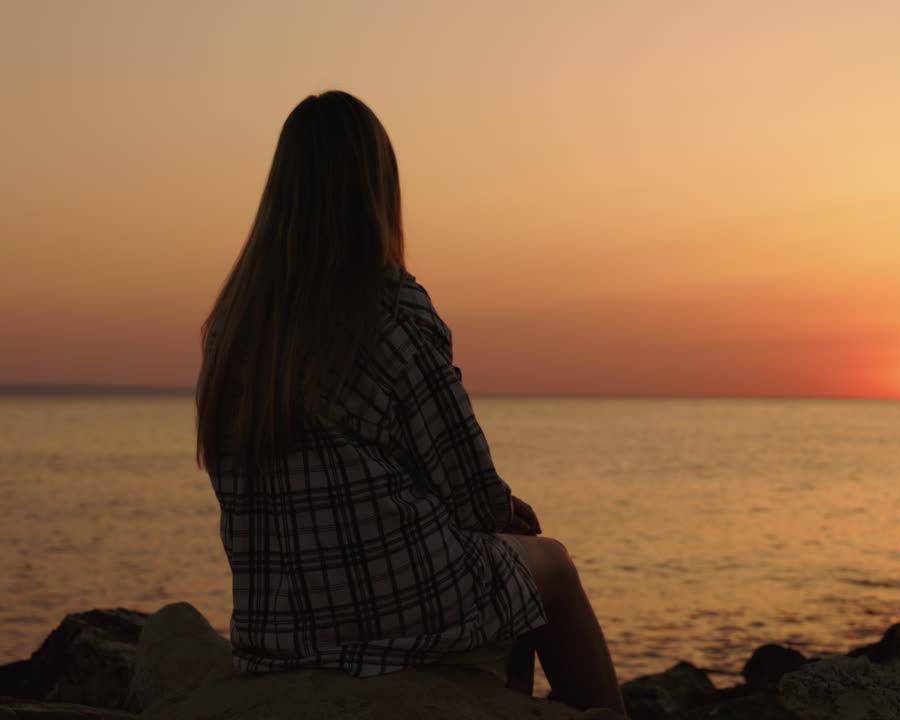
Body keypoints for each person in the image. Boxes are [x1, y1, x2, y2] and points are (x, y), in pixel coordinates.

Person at [195, 90, 625, 714]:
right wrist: (508, 517)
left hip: (277, 624)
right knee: (549, 566)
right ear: (376, 189)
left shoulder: (236, 321)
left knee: (506, 559)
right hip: (387, 595)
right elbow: (464, 478)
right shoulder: (386, 302)